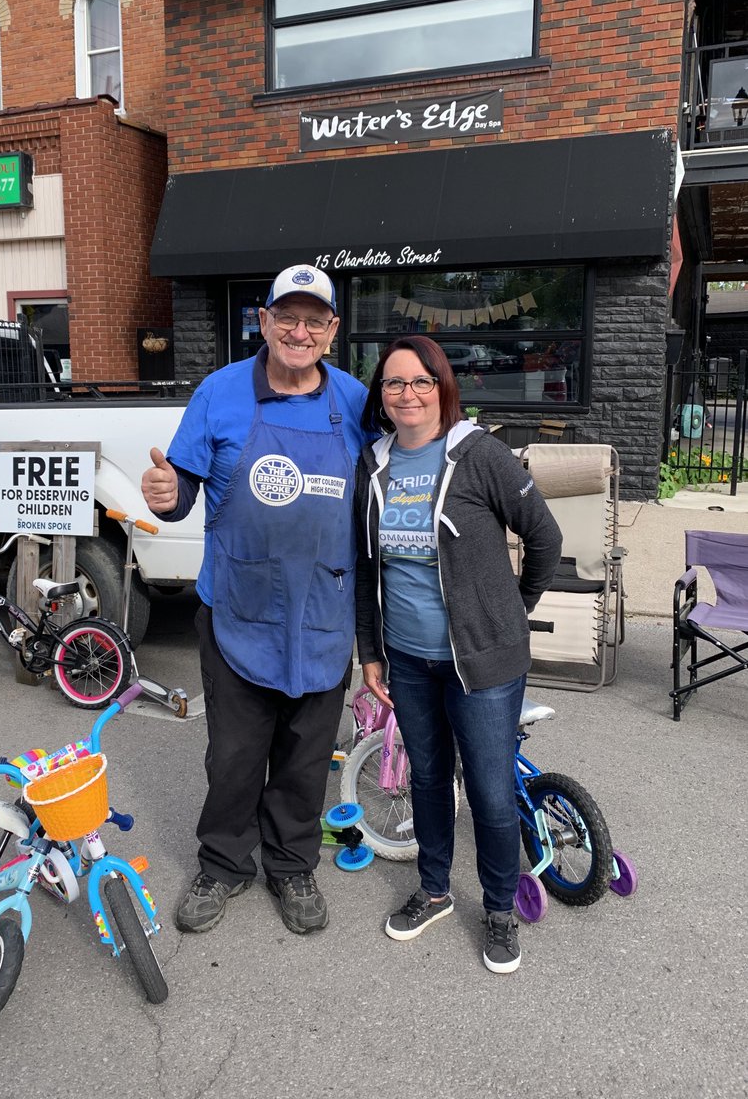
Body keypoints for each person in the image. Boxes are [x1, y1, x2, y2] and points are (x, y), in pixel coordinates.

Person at [141, 264, 368, 936]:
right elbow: (182, 485)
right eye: (286, 317)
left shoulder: (356, 402)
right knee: (234, 756)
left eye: (314, 320)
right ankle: (223, 863)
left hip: (323, 611)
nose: (299, 331)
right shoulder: (218, 393)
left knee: (304, 757)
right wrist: (167, 494)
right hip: (238, 608)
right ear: (263, 322)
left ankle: (293, 866)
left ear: (331, 331)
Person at [354, 335, 562, 973]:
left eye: (420, 381)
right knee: (427, 778)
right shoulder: (374, 464)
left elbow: (544, 538)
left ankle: (499, 910)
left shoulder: (480, 455)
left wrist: (507, 615)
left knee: (493, 795)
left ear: (442, 386)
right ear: (381, 396)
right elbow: (367, 570)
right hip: (409, 660)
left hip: (484, 663)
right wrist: (372, 652)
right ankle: (435, 889)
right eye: (394, 383)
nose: (407, 394)